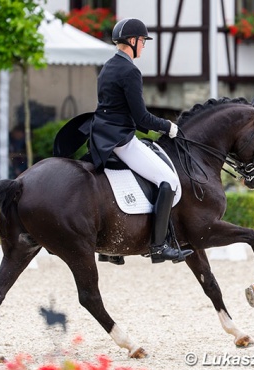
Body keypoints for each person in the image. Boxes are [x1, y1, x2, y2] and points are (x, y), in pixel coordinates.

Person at [81, 18, 193, 263]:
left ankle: (110, 252)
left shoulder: (107, 67)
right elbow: (141, 118)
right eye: (142, 41)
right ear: (132, 41)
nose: (143, 46)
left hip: (101, 137)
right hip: (121, 140)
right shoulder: (130, 71)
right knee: (169, 180)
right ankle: (159, 245)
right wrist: (168, 127)